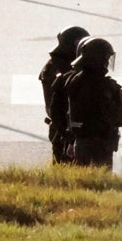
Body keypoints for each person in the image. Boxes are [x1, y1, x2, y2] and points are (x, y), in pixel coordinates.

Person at [61, 37, 122, 168]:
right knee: (99, 184)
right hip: (99, 147)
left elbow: (70, 114)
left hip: (80, 143)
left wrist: (71, 142)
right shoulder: (103, 87)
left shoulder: (75, 81)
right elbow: (119, 119)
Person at [40, 26, 89, 164]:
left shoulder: (55, 65)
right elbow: (60, 105)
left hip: (64, 127)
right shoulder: (60, 70)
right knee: (66, 167)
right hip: (64, 129)